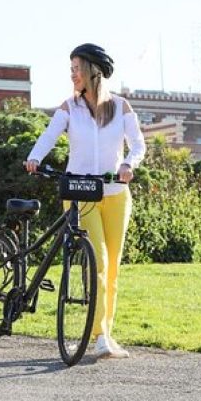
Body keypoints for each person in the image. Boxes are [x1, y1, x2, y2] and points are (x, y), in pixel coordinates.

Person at [25, 43, 146, 359]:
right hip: (79, 194)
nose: (72, 75)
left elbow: (138, 145)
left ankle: (106, 332)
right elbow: (49, 135)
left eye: (76, 68)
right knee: (99, 263)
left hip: (116, 195)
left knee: (113, 268)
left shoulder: (121, 107)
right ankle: (99, 336)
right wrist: (35, 157)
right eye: (71, 69)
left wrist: (128, 165)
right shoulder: (69, 107)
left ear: (93, 70)